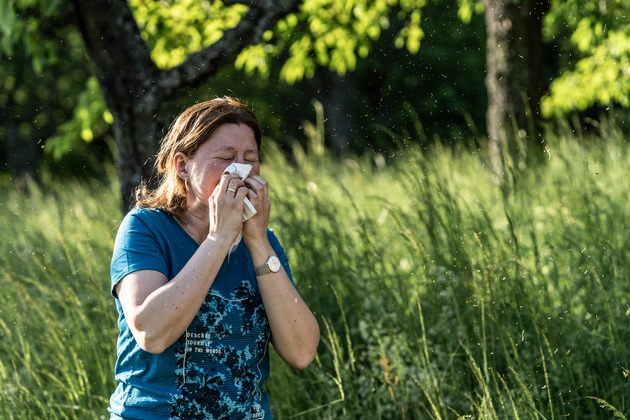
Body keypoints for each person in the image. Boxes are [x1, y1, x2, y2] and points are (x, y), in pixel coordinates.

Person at [108, 97, 320, 419]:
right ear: (182, 166)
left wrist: (259, 242)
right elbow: (151, 332)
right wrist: (219, 237)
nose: (241, 169)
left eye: (251, 158)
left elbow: (302, 351)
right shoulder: (145, 228)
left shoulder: (264, 242)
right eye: (225, 158)